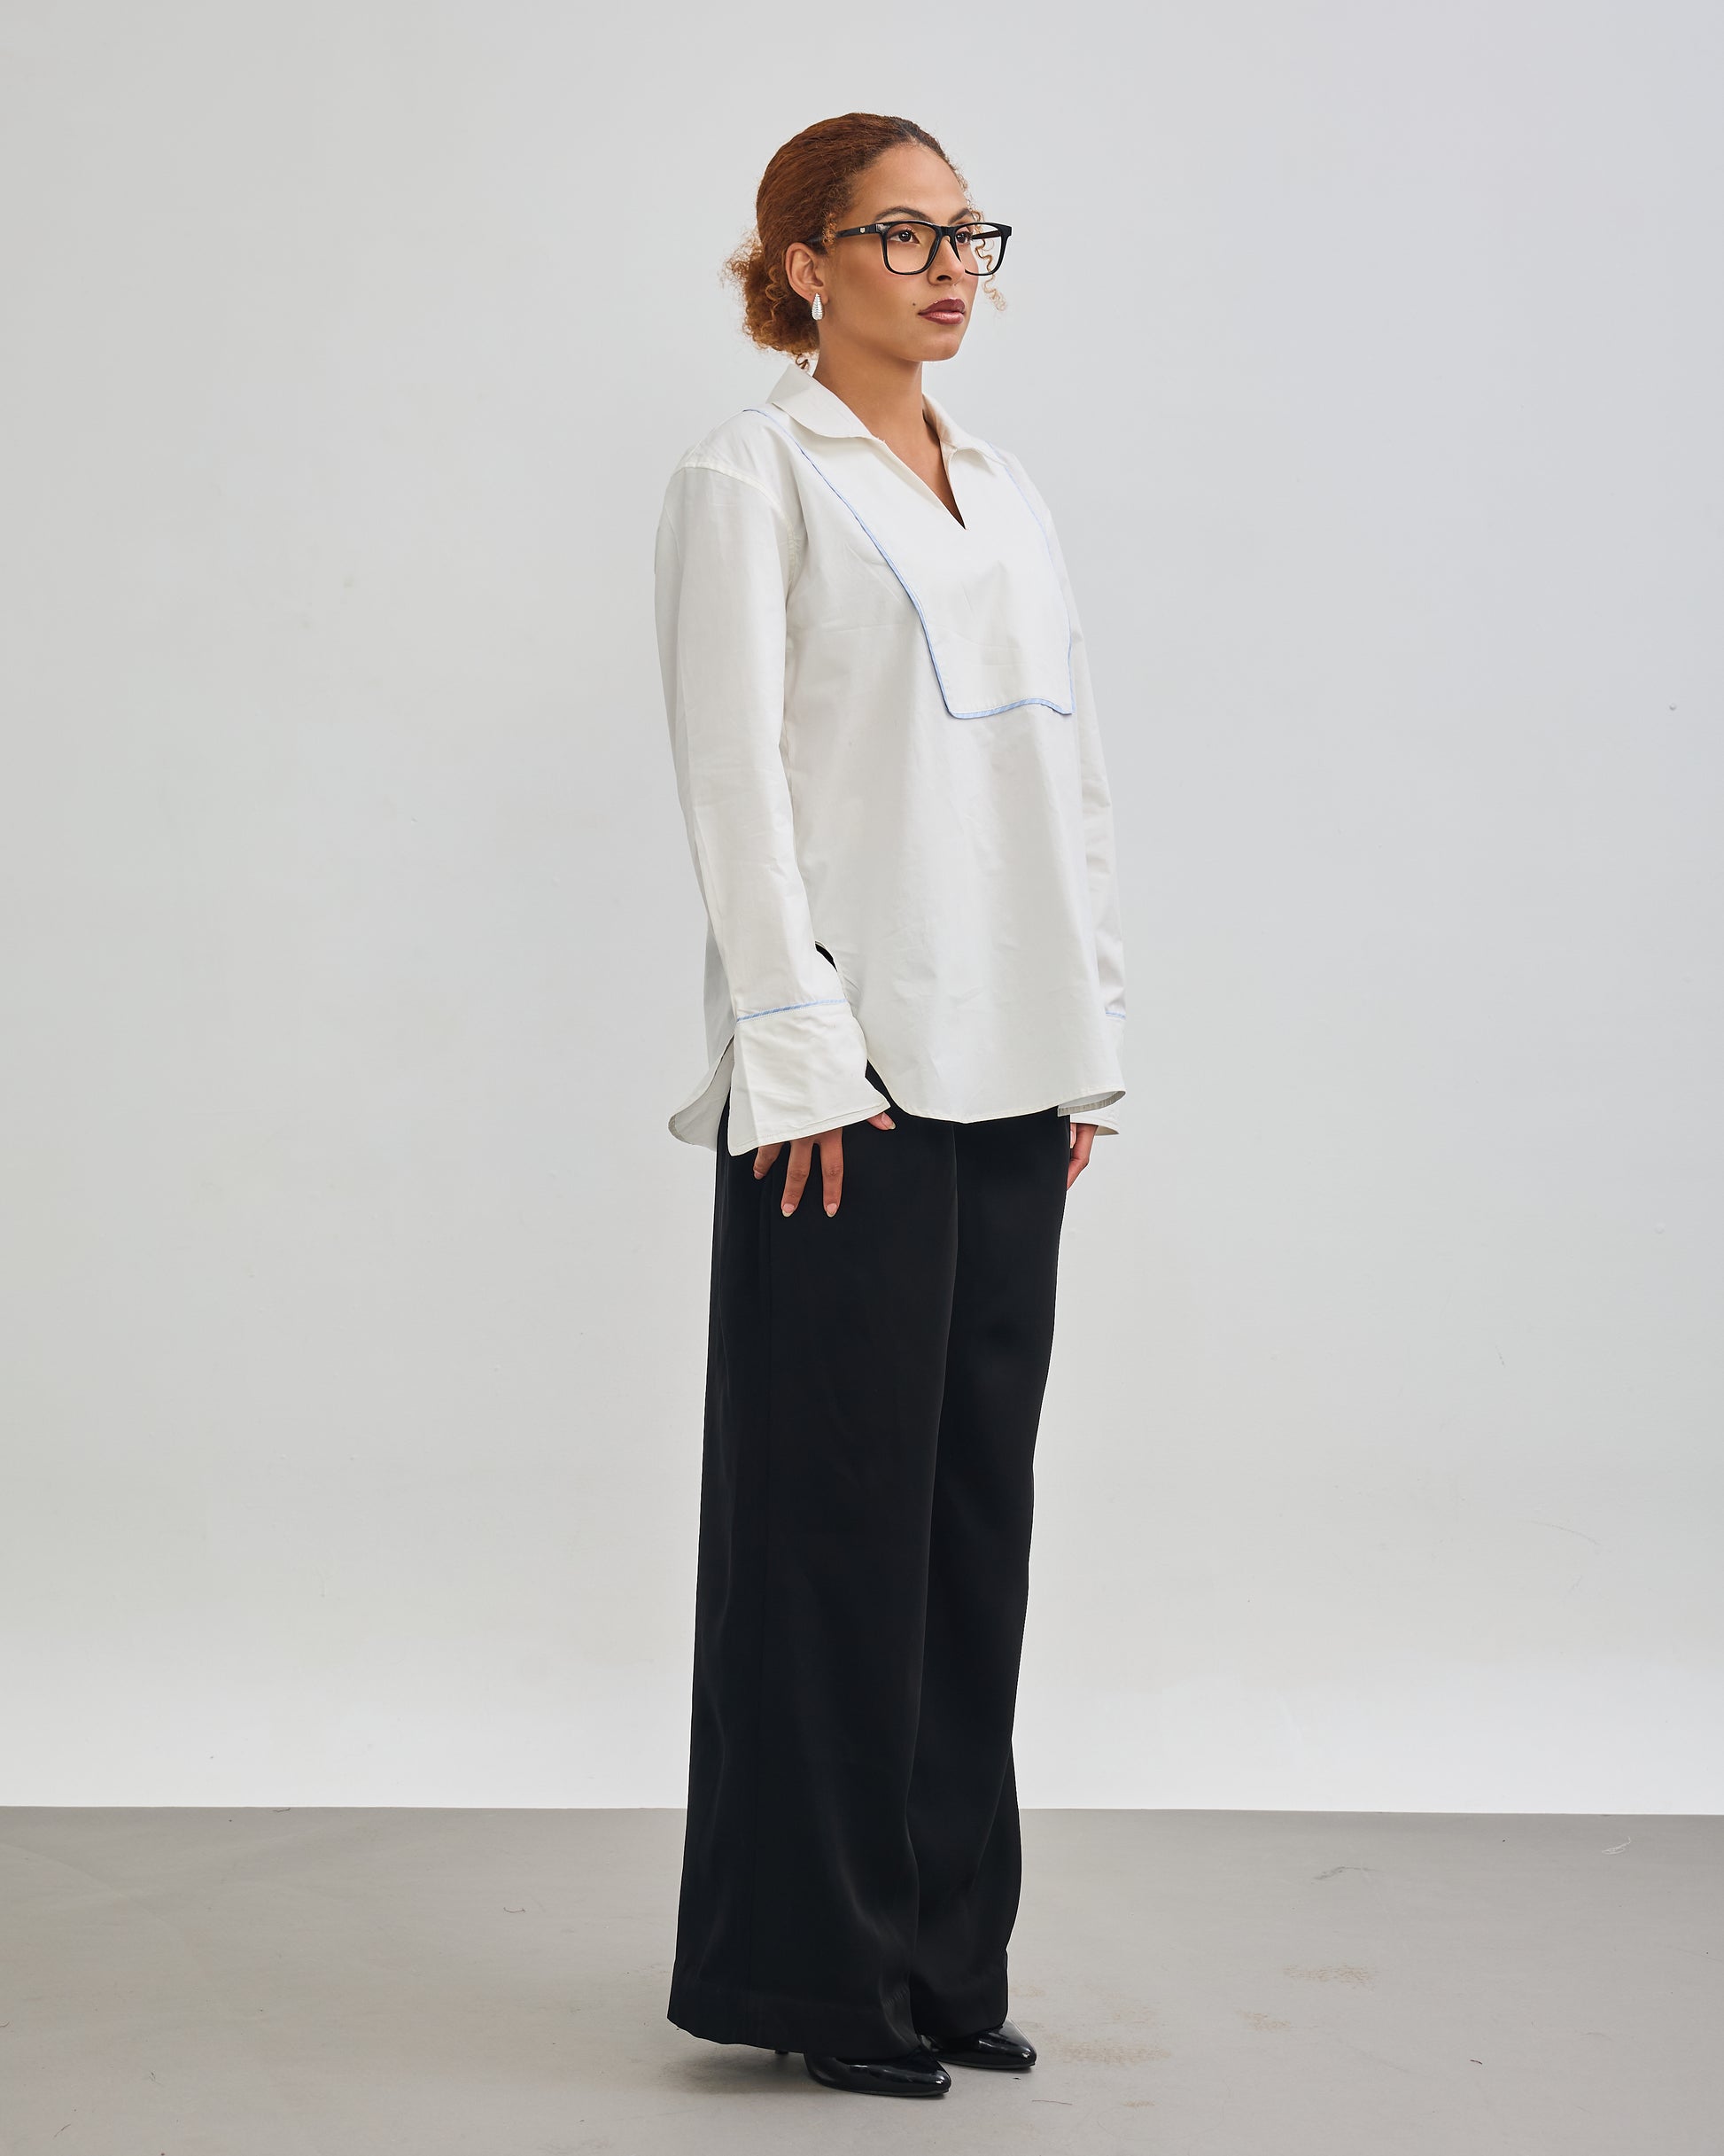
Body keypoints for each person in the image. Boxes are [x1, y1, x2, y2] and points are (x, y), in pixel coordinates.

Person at [652, 111, 1127, 2101]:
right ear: (803, 264)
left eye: (967, 235)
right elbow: (735, 781)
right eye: (903, 234)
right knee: (827, 1528)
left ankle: (941, 1958)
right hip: (843, 1075)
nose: (949, 269)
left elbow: (1061, 772)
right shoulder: (749, 474)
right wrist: (792, 1048)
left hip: (1011, 1063)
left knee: (966, 1527)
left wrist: (1090, 1036)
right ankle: (816, 1972)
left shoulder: (1002, 491)